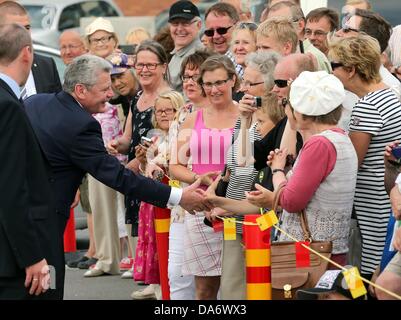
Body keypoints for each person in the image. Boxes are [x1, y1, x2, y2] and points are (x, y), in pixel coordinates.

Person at [23, 54, 208, 296]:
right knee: (47, 289)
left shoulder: (35, 103)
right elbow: (118, 178)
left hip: (18, 217)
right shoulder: (80, 125)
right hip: (43, 225)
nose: (111, 94)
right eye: (104, 88)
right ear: (80, 90)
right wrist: (179, 196)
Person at [205, 71, 358, 267]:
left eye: (288, 105)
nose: (285, 109)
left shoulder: (319, 144)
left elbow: (290, 202)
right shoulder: (339, 137)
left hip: (310, 252)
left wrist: (277, 172)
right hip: (326, 249)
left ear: (301, 112)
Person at [329, 34, 401, 279]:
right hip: (386, 199)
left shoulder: (368, 106)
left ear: (351, 69)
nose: (331, 73)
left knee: (373, 275)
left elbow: (351, 162)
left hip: (375, 206)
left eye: (334, 66)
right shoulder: (390, 95)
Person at [0, 23, 63, 300]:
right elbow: (11, 190)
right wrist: (33, 257)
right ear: (27, 53)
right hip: (14, 261)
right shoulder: (7, 107)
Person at [169, 54, 240, 300]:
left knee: (239, 285)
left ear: (233, 80)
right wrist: (199, 177)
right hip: (202, 208)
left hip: (238, 207)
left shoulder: (247, 116)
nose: (214, 89)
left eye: (219, 82)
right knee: (205, 289)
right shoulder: (194, 118)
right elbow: (174, 165)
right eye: (208, 84)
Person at [132, 90, 185, 300]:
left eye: (168, 110)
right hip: (151, 204)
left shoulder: (180, 135)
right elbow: (148, 172)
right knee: (152, 244)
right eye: (159, 110)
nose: (163, 114)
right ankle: (157, 286)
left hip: (170, 202)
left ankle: (169, 291)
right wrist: (143, 159)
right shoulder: (154, 138)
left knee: (167, 248)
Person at [0, 1, 62, 97]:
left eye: (27, 27)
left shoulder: (46, 65)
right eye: (17, 28)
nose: (24, 33)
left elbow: (57, 106)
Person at [266, 1, 331, 72]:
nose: (272, 31)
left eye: (280, 24)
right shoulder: (275, 55)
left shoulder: (314, 57)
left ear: (300, 25)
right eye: (269, 25)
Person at [168, 0, 203, 92]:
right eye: (175, 23)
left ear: (199, 25)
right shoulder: (177, 54)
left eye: (185, 23)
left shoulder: (199, 57)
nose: (179, 29)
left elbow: (192, 100)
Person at [204, 2, 244, 78]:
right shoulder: (203, 60)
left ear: (237, 27)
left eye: (222, 30)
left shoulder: (243, 63)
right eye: (210, 32)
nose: (216, 36)